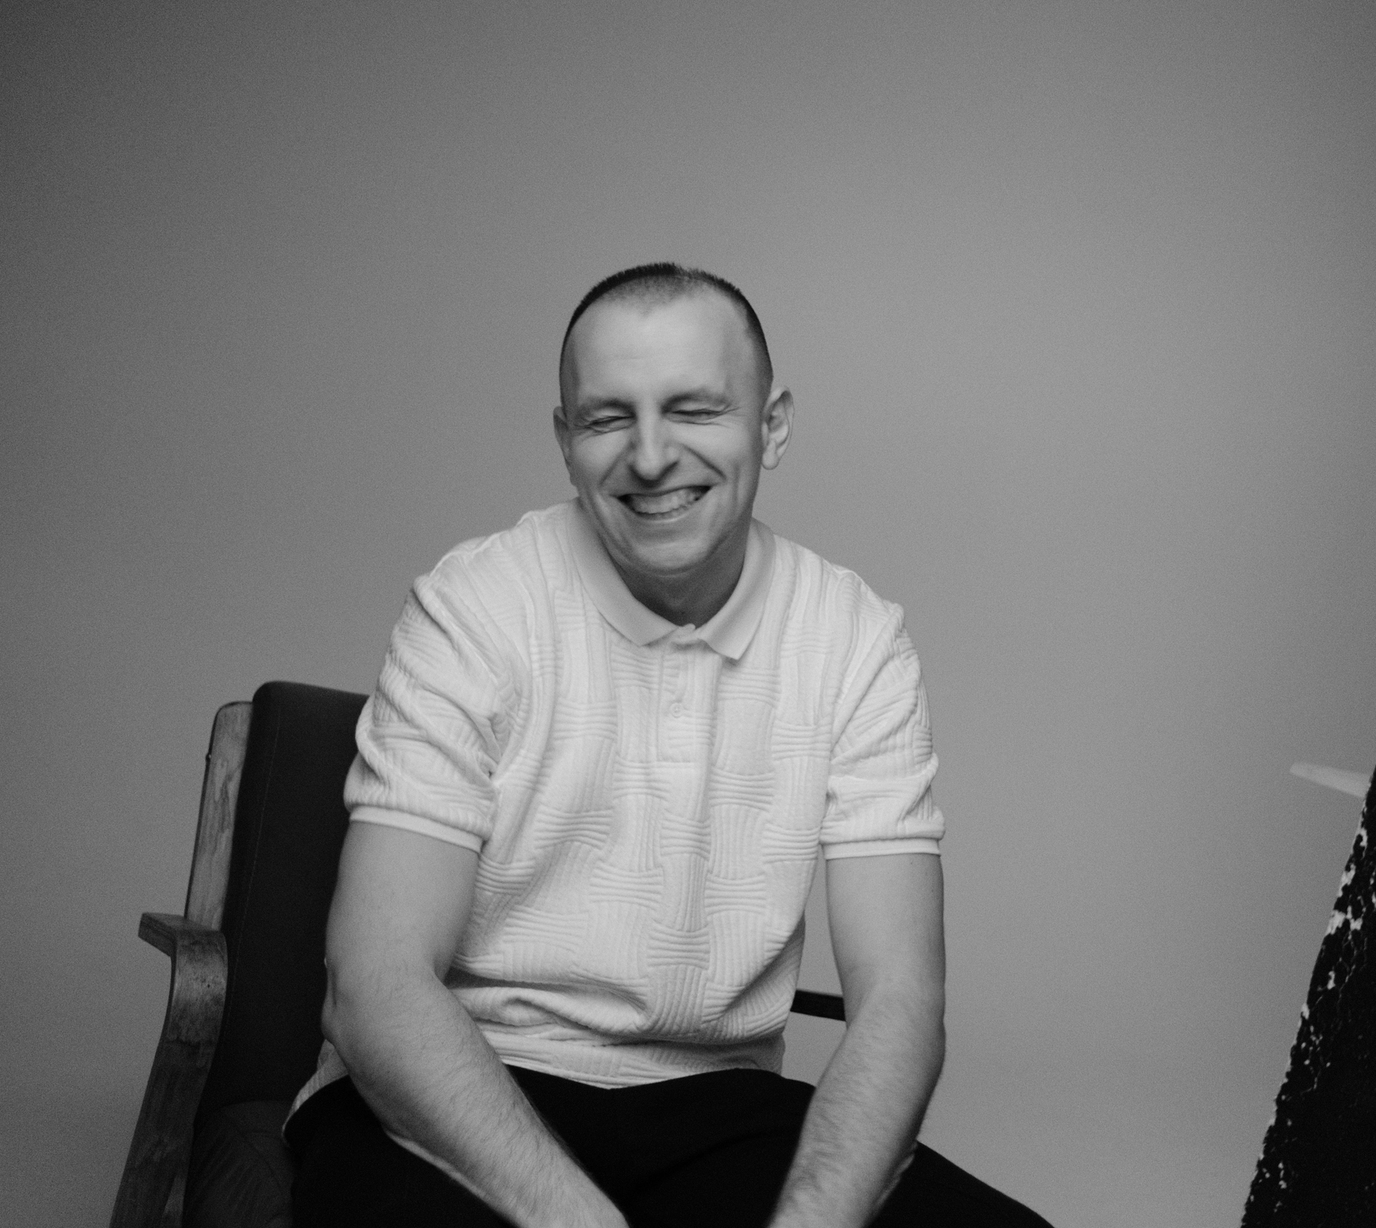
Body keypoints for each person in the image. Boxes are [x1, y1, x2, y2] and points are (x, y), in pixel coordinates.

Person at [285, 263, 1052, 1227]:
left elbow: (900, 998)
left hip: (717, 1106)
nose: (651, 457)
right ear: (565, 442)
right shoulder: (471, 607)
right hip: (463, 1078)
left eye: (694, 409)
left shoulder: (856, 639)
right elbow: (376, 985)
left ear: (772, 425)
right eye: (609, 418)